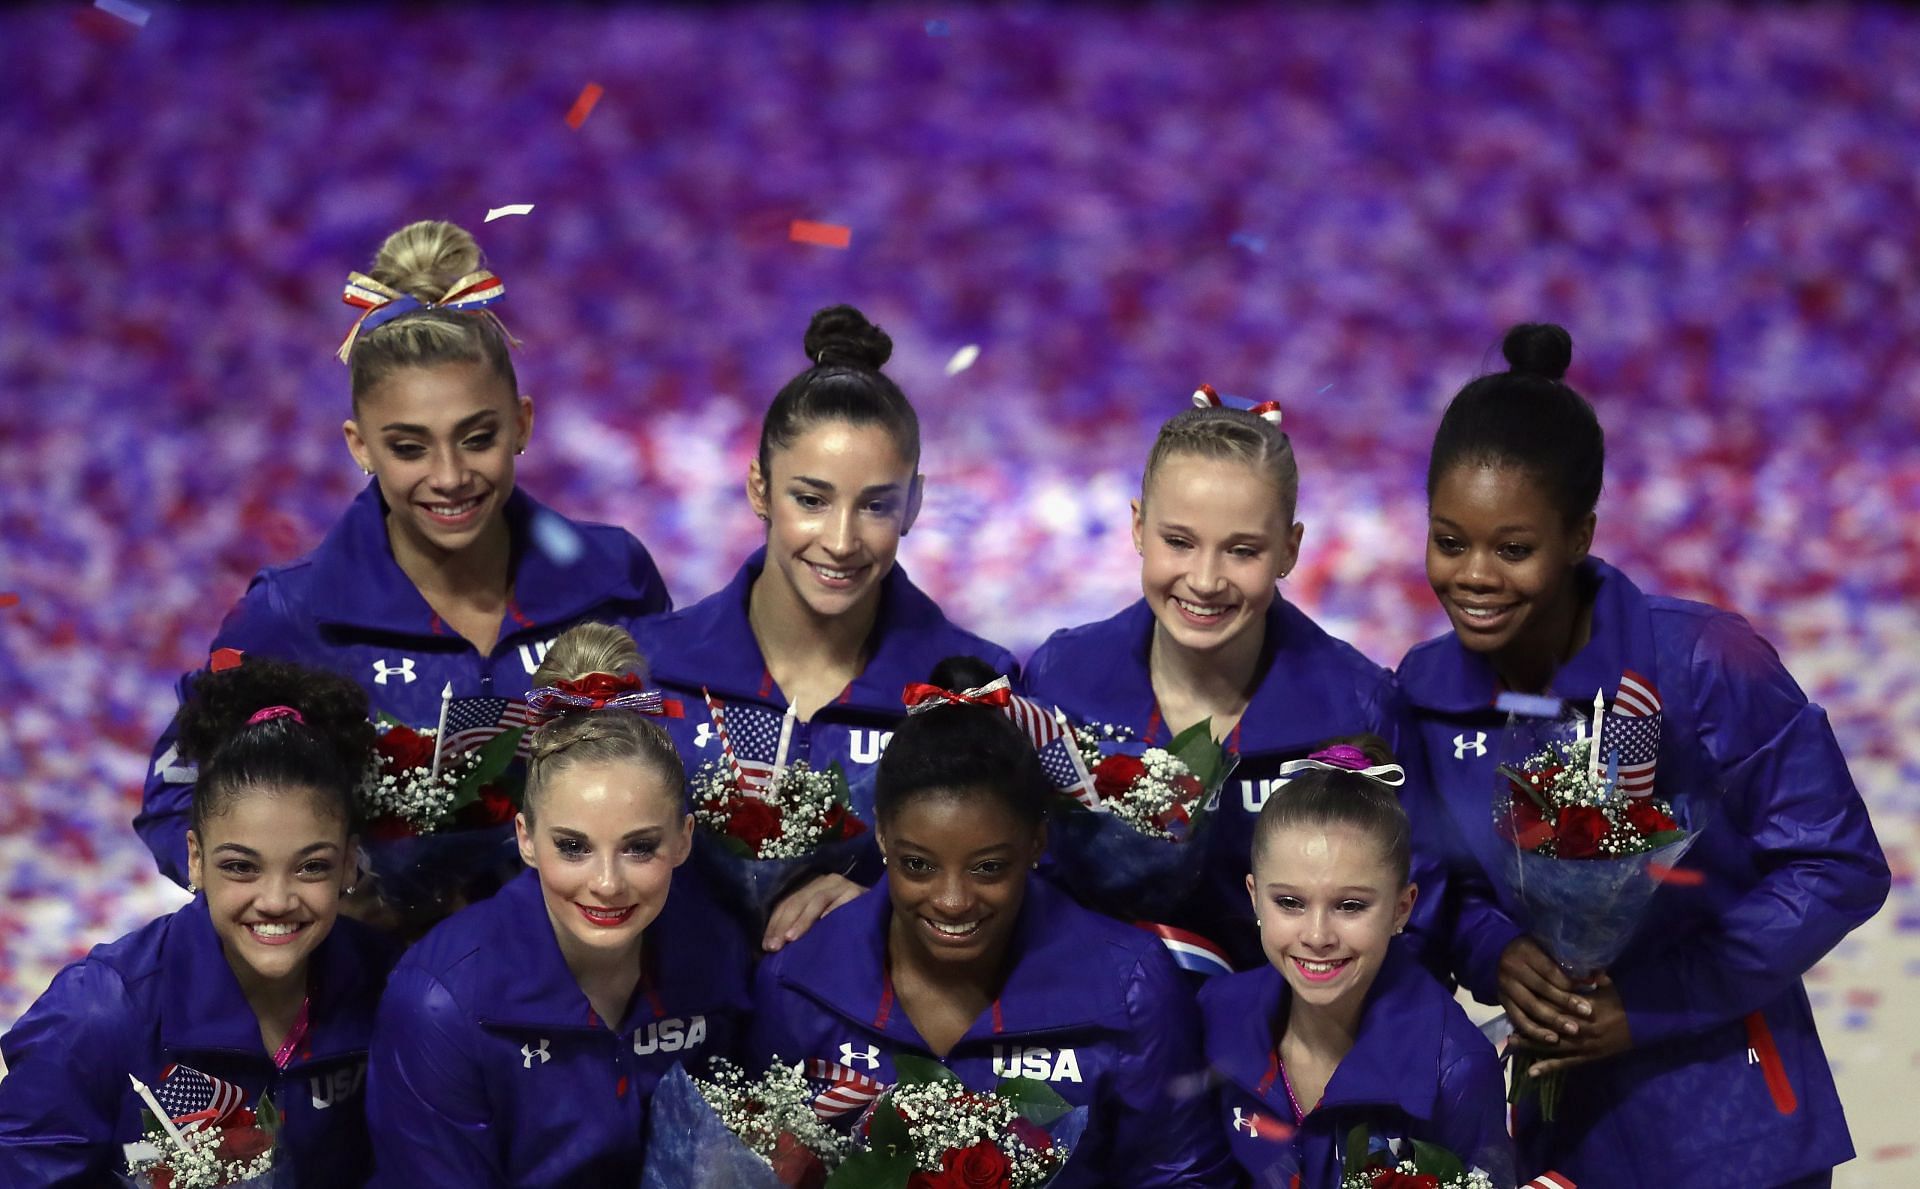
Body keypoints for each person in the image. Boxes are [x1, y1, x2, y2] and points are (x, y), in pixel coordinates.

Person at [1398, 323, 1889, 1186]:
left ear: (1581, 533)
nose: (1474, 575)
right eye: (1450, 540)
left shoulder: (1702, 662)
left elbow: (1836, 863)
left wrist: (1655, 1002)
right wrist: (1497, 954)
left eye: (1514, 548)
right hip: (1561, 1129)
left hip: (1735, 1128)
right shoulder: (1427, 688)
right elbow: (1438, 884)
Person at [135, 219, 671, 916]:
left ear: (523, 424)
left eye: (477, 438)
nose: (449, 476)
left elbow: (677, 761)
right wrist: (291, 893)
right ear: (361, 446)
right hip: (367, 999)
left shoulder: (614, 577)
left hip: (585, 984)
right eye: (410, 447)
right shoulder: (296, 615)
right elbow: (178, 794)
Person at [748, 660, 1235, 1188]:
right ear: (882, 838)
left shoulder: (1133, 990)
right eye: (918, 864)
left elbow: (1179, 1179)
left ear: (1036, 844)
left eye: (988, 867)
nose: (953, 901)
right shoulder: (797, 980)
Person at [631, 305, 1017, 953]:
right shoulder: (647, 666)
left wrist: (893, 903)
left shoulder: (978, 686)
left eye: (875, 505)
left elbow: (1019, 885)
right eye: (810, 499)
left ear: (915, 504)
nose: (840, 541)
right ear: (760, 488)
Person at [1025, 387, 1446, 973]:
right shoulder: (1061, 678)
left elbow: (1415, 913)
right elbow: (1027, 876)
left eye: (1241, 551)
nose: (1204, 580)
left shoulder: (1358, 705)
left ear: (1289, 550)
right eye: (1178, 542)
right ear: (1138, 528)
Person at [365, 623, 752, 1187]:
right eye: (573, 847)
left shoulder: (718, 954)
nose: (607, 884)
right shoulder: (438, 1001)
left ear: (685, 839)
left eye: (640, 847)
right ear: (525, 838)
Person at [0, 659, 392, 1185]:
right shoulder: (97, 1016)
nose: (275, 899)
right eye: (240, 866)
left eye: (311, 866)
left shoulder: (395, 988)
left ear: (349, 862)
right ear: (195, 859)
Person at [1200, 739, 1511, 1189]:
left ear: (1402, 908)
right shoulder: (1214, 1013)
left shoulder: (1456, 1069)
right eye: (1289, 902)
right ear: (1254, 897)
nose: (1318, 936)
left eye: (1349, 905)